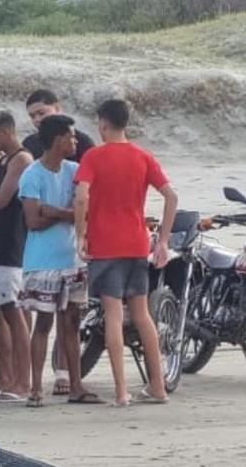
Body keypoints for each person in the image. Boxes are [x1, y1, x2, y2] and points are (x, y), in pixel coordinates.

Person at [74, 99, 178, 407]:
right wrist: (162, 241)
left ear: (103, 124)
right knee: (143, 316)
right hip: (136, 243)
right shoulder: (143, 156)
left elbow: (81, 197)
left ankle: (121, 392)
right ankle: (157, 386)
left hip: (105, 245)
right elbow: (171, 196)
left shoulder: (93, 156)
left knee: (114, 316)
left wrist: (80, 234)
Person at [18, 114, 100, 408]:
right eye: (71, 137)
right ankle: (36, 387)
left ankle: (75, 384)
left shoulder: (75, 170)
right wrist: (68, 214)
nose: (76, 142)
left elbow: (86, 211)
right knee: (43, 322)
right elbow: (33, 221)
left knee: (72, 323)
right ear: (57, 141)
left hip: (71, 258)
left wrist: (53, 211)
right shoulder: (32, 175)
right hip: (42, 260)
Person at [0, 108, 33, 402]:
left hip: (9, 247)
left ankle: (22, 382)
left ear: (6, 132)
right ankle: (6, 374)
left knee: (13, 314)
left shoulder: (21, 159)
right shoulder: (1, 160)